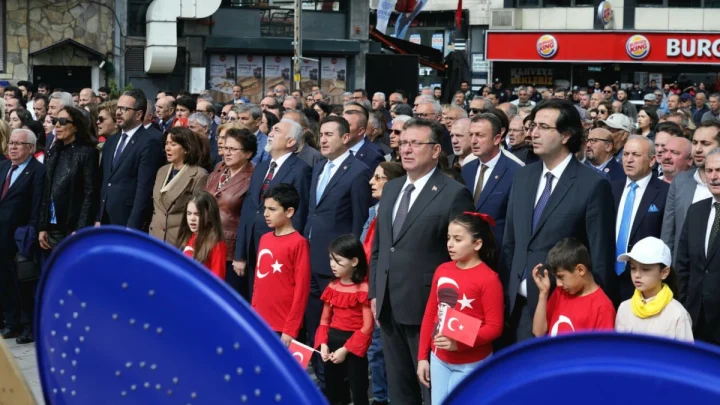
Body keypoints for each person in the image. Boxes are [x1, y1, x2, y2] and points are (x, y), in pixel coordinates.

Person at [370, 118, 474, 405]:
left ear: (436, 150)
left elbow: (464, 258)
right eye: (403, 143)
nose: (406, 149)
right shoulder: (392, 189)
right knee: (399, 390)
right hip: (388, 305)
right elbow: (380, 247)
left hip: (430, 308)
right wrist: (375, 293)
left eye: (415, 143)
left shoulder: (453, 193)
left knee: (431, 390)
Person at [501, 99, 617, 344]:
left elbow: (600, 256)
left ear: (566, 135)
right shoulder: (523, 176)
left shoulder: (592, 184)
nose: (534, 133)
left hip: (562, 311)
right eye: (533, 126)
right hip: (514, 309)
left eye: (543, 127)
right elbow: (510, 243)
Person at [304, 115, 372, 389]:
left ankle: (336, 386)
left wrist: (351, 267)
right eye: (321, 134)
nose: (322, 139)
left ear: (345, 138)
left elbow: (358, 221)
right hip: (311, 257)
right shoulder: (319, 167)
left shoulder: (358, 171)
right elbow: (313, 212)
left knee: (336, 328)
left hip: (337, 264)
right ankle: (321, 381)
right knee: (315, 325)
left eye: (329, 134)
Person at [417, 213, 504, 405]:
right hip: (439, 358)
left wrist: (459, 344)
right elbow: (431, 313)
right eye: (448, 238)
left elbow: (495, 327)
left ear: (477, 244)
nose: (450, 244)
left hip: (472, 363)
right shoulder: (442, 270)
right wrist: (423, 356)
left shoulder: (489, 279)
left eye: (457, 239)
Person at [233, 120, 309, 300]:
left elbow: (299, 214)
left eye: (277, 130)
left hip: (279, 250)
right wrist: (240, 253)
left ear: (291, 141)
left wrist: (289, 252)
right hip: (253, 246)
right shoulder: (261, 167)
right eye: (271, 129)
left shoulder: (301, 170)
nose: (270, 134)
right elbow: (248, 210)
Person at [361, 161, 405, 405]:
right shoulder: (373, 212)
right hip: (368, 288)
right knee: (374, 349)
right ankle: (380, 395)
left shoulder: (399, 214)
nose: (372, 182)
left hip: (386, 290)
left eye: (379, 178)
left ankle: (386, 397)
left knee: (381, 348)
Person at [316, 234, 373, 405]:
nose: (332, 265)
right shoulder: (332, 286)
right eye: (331, 259)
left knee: (359, 389)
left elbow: (367, 327)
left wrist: (346, 350)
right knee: (334, 390)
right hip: (332, 343)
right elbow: (324, 320)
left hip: (353, 346)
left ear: (354, 261)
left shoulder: (363, 288)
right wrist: (323, 344)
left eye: (338, 260)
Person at [0, 129, 45, 341]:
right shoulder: (3, 166)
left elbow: (37, 204)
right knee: (4, 280)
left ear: (31, 148)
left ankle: (28, 325)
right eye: (11, 143)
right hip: (1, 235)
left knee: (23, 282)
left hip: (20, 236)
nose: (13, 147)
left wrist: (34, 232)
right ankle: (12, 322)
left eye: (19, 144)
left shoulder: (38, 171)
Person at [252, 184, 311, 345]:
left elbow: (302, 289)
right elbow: (258, 281)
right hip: (259, 320)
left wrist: (291, 328)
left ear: (289, 212)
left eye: (272, 209)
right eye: (265, 208)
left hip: (282, 325)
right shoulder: (264, 239)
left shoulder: (298, 243)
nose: (266, 214)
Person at [97, 89, 164, 230]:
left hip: (127, 221)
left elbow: (144, 189)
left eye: (124, 109)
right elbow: (104, 180)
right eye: (118, 108)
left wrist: (132, 226)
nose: (118, 112)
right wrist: (98, 217)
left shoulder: (149, 142)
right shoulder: (111, 140)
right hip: (106, 219)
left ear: (139, 114)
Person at [612, 135, 669, 301]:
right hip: (608, 277)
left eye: (636, 155)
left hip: (645, 281)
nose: (629, 160)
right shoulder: (610, 188)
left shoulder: (665, 193)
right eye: (625, 154)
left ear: (652, 161)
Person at [203, 126, 256, 297]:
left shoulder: (253, 177)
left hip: (231, 250)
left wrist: (240, 256)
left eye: (233, 149)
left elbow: (248, 220)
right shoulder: (218, 169)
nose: (227, 153)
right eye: (226, 148)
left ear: (248, 153)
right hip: (208, 243)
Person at [676, 147, 720, 344]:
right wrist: (684, 304)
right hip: (695, 316)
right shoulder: (696, 211)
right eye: (709, 171)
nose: (714, 177)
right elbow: (683, 264)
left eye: (719, 170)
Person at [38, 107, 99, 249]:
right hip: (50, 227)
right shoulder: (53, 152)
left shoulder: (87, 153)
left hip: (71, 227)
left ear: (76, 126)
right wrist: (42, 227)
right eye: (55, 121)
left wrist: (80, 229)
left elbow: (90, 194)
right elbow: (46, 190)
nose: (58, 125)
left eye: (63, 121)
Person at [531, 238, 616, 337]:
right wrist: (543, 293)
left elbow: (602, 345)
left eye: (561, 277)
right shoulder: (560, 292)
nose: (558, 284)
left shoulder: (603, 307)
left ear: (580, 270)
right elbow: (538, 332)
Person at [662, 121, 720, 263]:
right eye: (694, 143)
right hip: (684, 269)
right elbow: (668, 232)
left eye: (705, 144)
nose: (698, 149)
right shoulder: (680, 182)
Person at [615, 237, 693, 342]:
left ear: (664, 272)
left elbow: (684, 351)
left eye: (645, 269)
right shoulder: (624, 308)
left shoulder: (677, 314)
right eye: (633, 268)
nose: (637, 275)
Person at [462, 113, 520, 252]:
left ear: (497, 139)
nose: (473, 141)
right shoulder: (467, 169)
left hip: (497, 251)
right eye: (471, 135)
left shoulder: (516, 172)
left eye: (480, 135)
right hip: (468, 250)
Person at [149, 127, 209, 247]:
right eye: (167, 143)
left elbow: (199, 214)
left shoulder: (199, 175)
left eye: (173, 144)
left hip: (178, 241)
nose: (167, 148)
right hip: (155, 238)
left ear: (186, 148)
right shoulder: (162, 171)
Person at [178, 191, 227, 279]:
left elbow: (217, 279)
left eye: (197, 214)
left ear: (210, 216)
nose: (192, 218)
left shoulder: (217, 245)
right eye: (189, 213)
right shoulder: (186, 236)